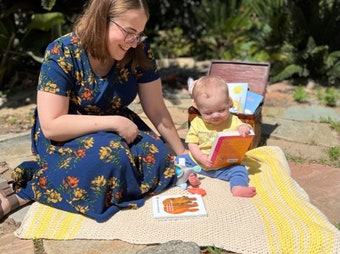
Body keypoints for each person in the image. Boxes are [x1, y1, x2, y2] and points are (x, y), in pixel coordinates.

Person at [0, 0, 188, 223]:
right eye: (129, 32)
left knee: (157, 157)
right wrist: (115, 122)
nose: (133, 42)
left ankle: (99, 184)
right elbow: (52, 125)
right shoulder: (62, 51)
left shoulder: (139, 50)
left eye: (138, 34)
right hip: (67, 131)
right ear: (102, 20)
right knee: (110, 157)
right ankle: (29, 187)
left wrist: (181, 153)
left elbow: (156, 108)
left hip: (116, 126)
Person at [176, 75, 257, 198]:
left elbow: (247, 128)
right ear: (197, 108)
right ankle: (191, 178)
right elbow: (192, 143)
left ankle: (238, 187)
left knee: (240, 170)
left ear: (229, 102)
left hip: (224, 166)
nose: (215, 115)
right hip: (199, 162)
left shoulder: (232, 120)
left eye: (221, 110)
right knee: (179, 160)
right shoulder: (197, 123)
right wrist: (201, 157)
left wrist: (244, 128)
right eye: (208, 113)